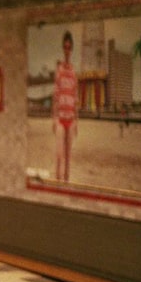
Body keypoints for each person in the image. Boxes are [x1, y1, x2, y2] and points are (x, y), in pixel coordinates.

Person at [52, 30, 78, 181]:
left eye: (69, 47)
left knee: (68, 156)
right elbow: (55, 95)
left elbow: (75, 97)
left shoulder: (74, 72)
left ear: (72, 48)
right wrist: (54, 118)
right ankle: (57, 181)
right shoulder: (59, 70)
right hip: (60, 117)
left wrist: (77, 121)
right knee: (59, 154)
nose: (67, 50)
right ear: (63, 48)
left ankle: (66, 182)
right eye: (65, 47)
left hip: (71, 118)